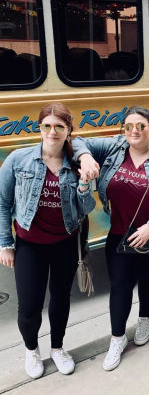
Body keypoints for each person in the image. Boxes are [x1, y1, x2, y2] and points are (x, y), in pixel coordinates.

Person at [73, 107, 149, 371]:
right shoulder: (114, 148)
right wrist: (86, 157)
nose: (134, 130)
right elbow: (76, 140)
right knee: (120, 285)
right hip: (120, 231)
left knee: (148, 278)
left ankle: (144, 319)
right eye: (129, 125)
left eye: (141, 126)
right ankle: (117, 338)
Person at [0, 102, 95, 379]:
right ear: (39, 128)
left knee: (61, 298)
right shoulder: (19, 159)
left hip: (65, 241)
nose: (52, 132)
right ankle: (31, 351)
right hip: (30, 244)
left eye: (59, 126)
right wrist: (5, 243)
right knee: (29, 304)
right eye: (47, 126)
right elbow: (3, 203)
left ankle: (57, 348)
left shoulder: (76, 164)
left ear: (68, 130)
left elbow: (86, 207)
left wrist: (85, 183)